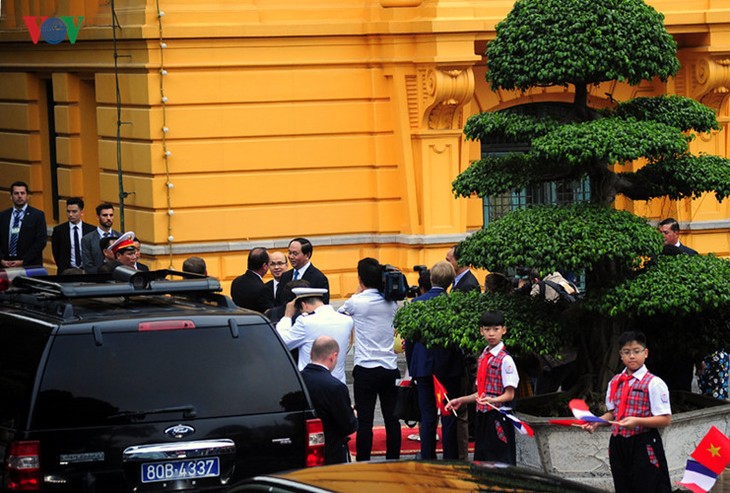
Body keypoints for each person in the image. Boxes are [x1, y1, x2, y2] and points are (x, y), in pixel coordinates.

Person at [583, 331, 672, 493]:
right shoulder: (615, 381)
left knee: (648, 486)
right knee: (623, 486)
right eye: (626, 352)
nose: (632, 356)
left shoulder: (654, 383)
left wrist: (637, 421)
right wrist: (597, 421)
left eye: (636, 351)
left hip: (643, 443)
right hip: (618, 443)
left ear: (645, 353)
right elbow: (613, 413)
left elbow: (665, 419)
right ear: (620, 355)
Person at [338, 257, 401, 461]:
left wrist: (358, 292)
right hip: (389, 366)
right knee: (392, 418)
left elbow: (340, 316)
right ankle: (393, 458)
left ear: (360, 278)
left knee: (365, 420)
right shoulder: (391, 302)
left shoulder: (357, 302)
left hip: (365, 367)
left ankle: (364, 460)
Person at [404, 261, 464, 460]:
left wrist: (412, 365)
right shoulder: (454, 304)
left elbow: (410, 339)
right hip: (450, 367)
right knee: (448, 414)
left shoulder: (417, 304)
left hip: (423, 367)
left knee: (427, 415)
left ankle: (427, 456)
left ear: (431, 279)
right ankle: (450, 457)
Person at [446, 311, 519, 464]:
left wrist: (492, 400)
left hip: (499, 416)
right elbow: (480, 393)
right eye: (487, 330)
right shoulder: (483, 356)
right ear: (481, 331)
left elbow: (510, 394)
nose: (491, 334)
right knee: (482, 457)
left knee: (500, 459)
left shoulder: (506, 360)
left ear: (503, 330)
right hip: (483, 415)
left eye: (496, 329)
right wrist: (460, 400)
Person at [276, 287, 353, 384]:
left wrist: (287, 317)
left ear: (304, 305)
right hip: (338, 383)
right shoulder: (346, 320)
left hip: (312, 384)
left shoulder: (305, 322)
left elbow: (282, 343)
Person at [300, 336, 358, 464]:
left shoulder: (297, 380)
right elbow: (347, 426)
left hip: (301, 449)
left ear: (311, 354)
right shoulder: (335, 387)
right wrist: (353, 415)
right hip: (329, 452)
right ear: (333, 356)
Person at [0, 181, 47, 268]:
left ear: (27, 196)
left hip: (29, 265)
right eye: (16, 193)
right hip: (5, 264)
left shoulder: (37, 215)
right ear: (11, 196)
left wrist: (23, 260)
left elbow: (41, 241)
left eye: (22, 193)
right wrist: (1, 259)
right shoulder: (3, 216)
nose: (19, 196)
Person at [276, 238, 330, 305]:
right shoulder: (285, 276)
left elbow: (322, 306)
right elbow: (279, 302)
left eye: (295, 254)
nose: (290, 257)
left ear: (307, 255)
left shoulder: (319, 278)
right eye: (290, 253)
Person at [51, 197, 95, 273]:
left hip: (86, 272)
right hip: (66, 272)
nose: (71, 215)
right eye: (68, 211)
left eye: (74, 211)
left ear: (81, 212)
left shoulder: (91, 230)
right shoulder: (59, 230)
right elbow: (56, 252)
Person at [230, 247, 274, 313]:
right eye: (269, 263)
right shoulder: (263, 289)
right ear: (264, 266)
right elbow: (270, 313)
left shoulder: (236, 282)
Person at [81, 203, 120, 273]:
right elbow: (87, 265)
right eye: (105, 215)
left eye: (111, 215)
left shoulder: (119, 237)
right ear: (98, 217)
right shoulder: (87, 239)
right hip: (96, 279)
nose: (108, 218)